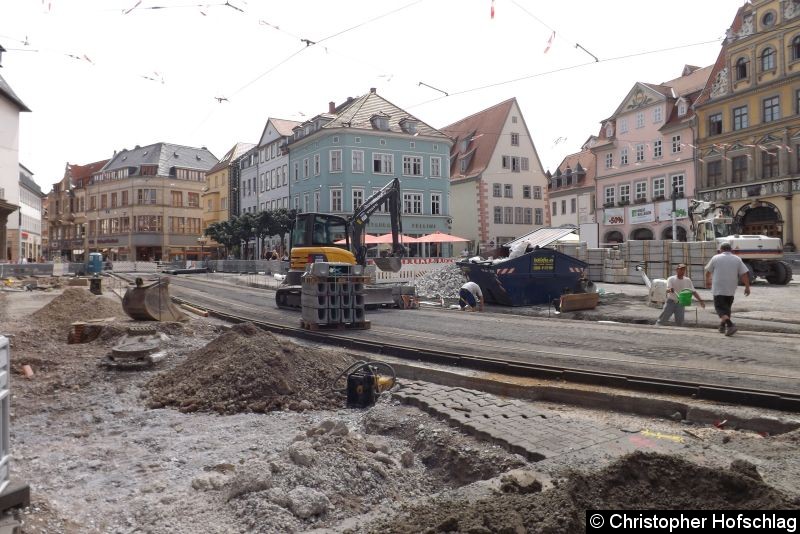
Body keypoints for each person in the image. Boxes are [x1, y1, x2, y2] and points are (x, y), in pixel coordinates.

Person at [705, 242, 750, 336]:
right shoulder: (737, 259)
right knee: (727, 308)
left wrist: (707, 281)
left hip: (719, 288)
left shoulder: (716, 257)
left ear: (721, 249)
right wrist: (747, 287)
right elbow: (744, 274)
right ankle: (722, 326)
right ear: (731, 250)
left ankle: (730, 325)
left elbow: (708, 271)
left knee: (720, 309)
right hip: (731, 288)